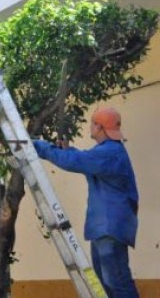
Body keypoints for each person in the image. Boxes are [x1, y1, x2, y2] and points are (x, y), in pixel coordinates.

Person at [33, 107, 139, 298]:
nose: (90, 126)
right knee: (107, 284)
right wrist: (68, 150)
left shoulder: (110, 152)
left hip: (110, 228)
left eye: (92, 123)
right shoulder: (107, 152)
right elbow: (84, 159)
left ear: (99, 127)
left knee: (116, 283)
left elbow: (76, 161)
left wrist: (37, 146)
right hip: (105, 228)